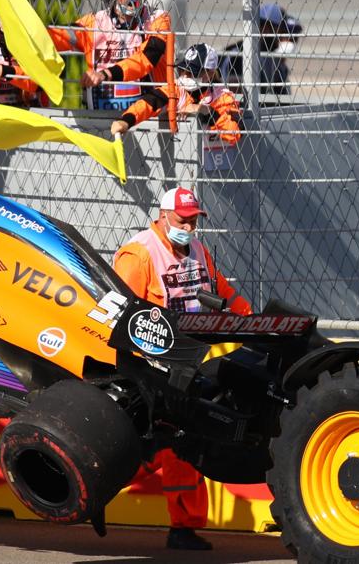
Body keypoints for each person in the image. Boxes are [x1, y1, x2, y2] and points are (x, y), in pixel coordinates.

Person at [112, 187, 251, 550]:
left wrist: (252, 322)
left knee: (180, 445)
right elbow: (121, 318)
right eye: (183, 220)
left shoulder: (198, 251)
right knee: (170, 443)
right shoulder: (140, 254)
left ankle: (183, 525)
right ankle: (118, 480)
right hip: (149, 368)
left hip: (188, 364)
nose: (189, 227)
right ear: (162, 216)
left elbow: (222, 291)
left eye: (194, 220)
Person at [50, 0, 174, 111]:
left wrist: (106, 74)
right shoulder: (94, 23)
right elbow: (55, 38)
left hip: (150, 120)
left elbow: (148, 57)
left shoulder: (158, 19)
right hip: (100, 121)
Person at [109, 43, 243, 146]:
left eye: (191, 72)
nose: (185, 76)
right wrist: (126, 120)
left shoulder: (222, 96)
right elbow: (150, 102)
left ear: (210, 73)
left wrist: (207, 112)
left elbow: (234, 133)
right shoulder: (176, 89)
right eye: (183, 70)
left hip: (215, 167)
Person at [222, 2, 303, 97]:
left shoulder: (272, 60)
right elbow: (234, 93)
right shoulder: (239, 55)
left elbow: (282, 96)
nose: (281, 36)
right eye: (280, 30)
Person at [0, 21, 48, 107]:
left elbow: (39, 84)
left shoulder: (30, 38)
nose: (0, 24)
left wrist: (4, 70)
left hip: (32, 113)